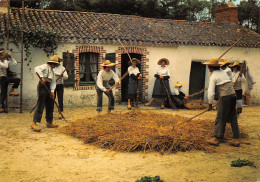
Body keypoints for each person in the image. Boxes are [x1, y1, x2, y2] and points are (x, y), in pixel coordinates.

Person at [203, 57, 240, 147]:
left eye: (208, 67)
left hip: (225, 96)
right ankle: (236, 138)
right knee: (233, 116)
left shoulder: (213, 76)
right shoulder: (223, 72)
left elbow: (211, 93)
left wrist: (209, 104)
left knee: (220, 116)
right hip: (232, 94)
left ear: (210, 68)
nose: (208, 69)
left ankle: (217, 138)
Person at [31, 56, 60, 132]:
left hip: (49, 88)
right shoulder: (44, 66)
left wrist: (52, 91)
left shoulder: (53, 72)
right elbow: (36, 69)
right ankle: (34, 123)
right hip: (42, 87)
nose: (56, 66)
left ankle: (49, 122)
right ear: (53, 63)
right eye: (56, 64)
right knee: (41, 104)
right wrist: (42, 78)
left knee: (50, 104)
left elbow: (53, 82)